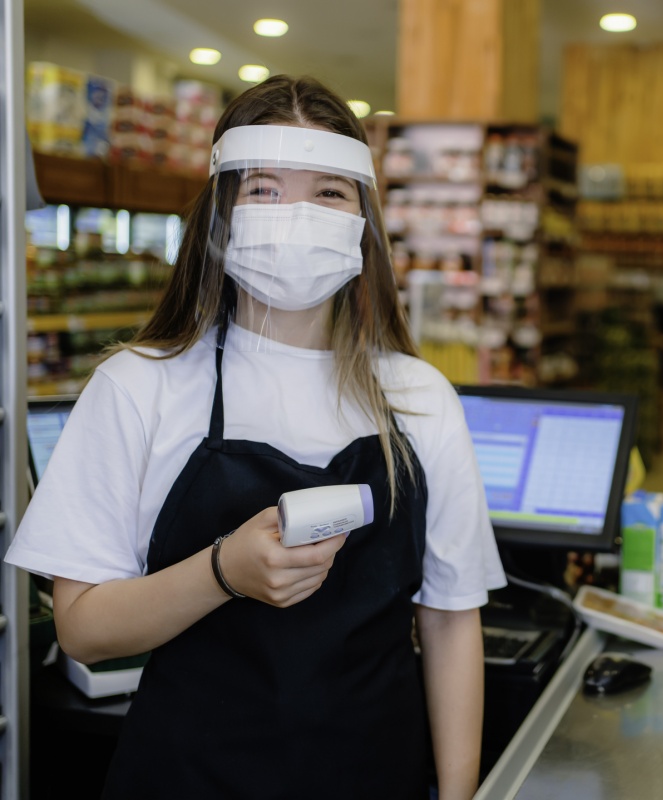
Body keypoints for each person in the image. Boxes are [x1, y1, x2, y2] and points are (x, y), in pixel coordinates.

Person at [5, 75, 505, 800]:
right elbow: (81, 627)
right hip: (187, 778)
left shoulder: (420, 398)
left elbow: (453, 621)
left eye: (329, 192)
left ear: (363, 219)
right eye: (265, 189)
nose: (298, 216)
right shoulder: (139, 385)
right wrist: (222, 573)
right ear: (221, 215)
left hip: (375, 776)